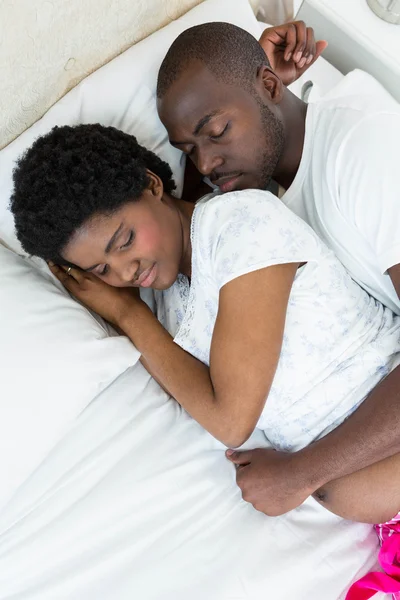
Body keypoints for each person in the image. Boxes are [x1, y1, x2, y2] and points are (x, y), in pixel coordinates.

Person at [10, 124, 400, 534]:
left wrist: (129, 317)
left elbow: (231, 420)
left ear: (151, 184)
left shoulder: (240, 226)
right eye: (101, 270)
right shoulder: (166, 303)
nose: (126, 271)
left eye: (124, 241)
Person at [155, 21, 400, 519]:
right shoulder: (260, 188)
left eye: (217, 131)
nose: (207, 164)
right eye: (188, 151)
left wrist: (302, 473)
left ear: (270, 87)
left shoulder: (364, 147)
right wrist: (255, 93)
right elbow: (205, 227)